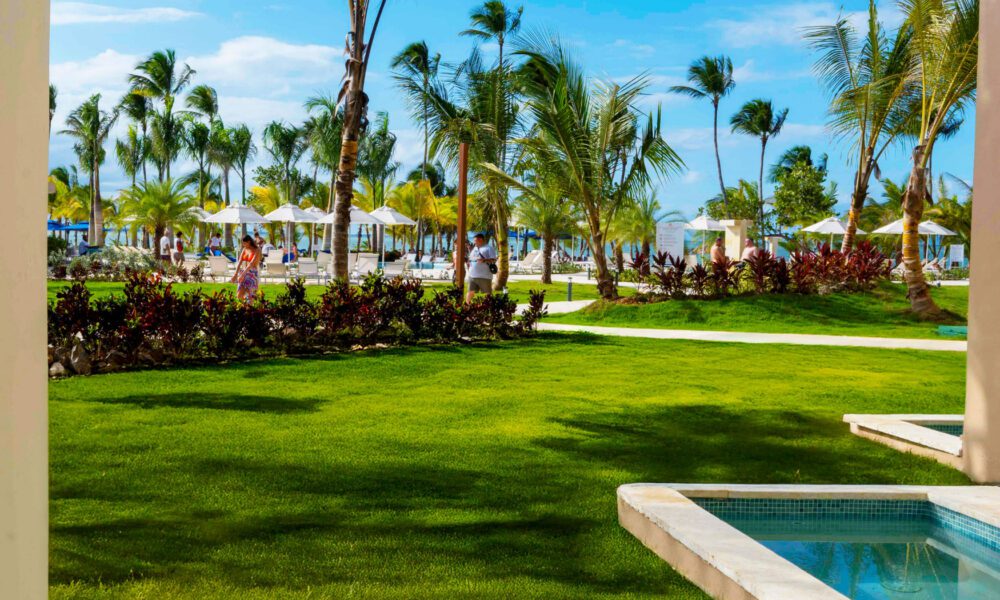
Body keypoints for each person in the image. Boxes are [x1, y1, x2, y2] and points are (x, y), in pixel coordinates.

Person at [466, 233, 497, 302]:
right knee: (470, 292)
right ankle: (466, 306)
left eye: (475, 240)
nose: (474, 242)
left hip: (484, 276)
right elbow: (471, 259)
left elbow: (494, 259)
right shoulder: (474, 248)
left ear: (481, 240)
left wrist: (484, 260)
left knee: (487, 294)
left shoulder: (489, 248)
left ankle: (489, 306)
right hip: (472, 275)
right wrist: (469, 262)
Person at [231, 235, 261, 301]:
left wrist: (242, 275)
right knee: (239, 295)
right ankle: (246, 303)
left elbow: (251, 263)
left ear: (249, 242)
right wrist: (235, 274)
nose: (243, 245)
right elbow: (239, 262)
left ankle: (250, 304)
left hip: (252, 274)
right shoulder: (245, 249)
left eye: (244, 243)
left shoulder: (257, 250)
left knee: (250, 294)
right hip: (243, 272)